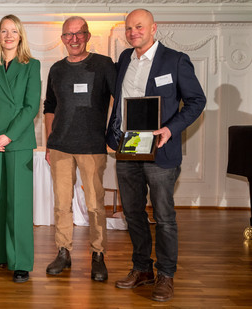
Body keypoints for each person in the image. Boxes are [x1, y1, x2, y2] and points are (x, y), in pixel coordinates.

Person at [106, 9, 206, 301]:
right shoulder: (125, 59)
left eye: (139, 27)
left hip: (161, 150)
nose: (133, 32)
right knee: (133, 213)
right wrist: (112, 133)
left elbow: (196, 101)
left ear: (153, 28)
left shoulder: (174, 60)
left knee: (163, 217)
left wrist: (170, 130)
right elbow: (119, 101)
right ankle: (142, 269)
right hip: (128, 147)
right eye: (128, 28)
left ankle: (166, 275)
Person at [43, 16, 116, 282]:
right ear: (62, 38)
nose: (73, 39)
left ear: (87, 35)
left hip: (92, 147)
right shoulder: (56, 69)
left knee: (95, 204)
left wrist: (113, 136)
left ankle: (98, 254)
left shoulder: (104, 65)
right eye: (68, 35)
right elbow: (49, 107)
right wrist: (49, 143)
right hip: (60, 147)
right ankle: (63, 251)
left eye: (79, 34)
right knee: (62, 204)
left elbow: (119, 102)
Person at [0, 14, 41, 283]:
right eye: (4, 31)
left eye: (14, 31)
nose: (9, 35)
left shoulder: (31, 65)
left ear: (21, 35)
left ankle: (21, 261)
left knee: (19, 204)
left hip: (18, 142)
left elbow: (31, 106)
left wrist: (8, 137)